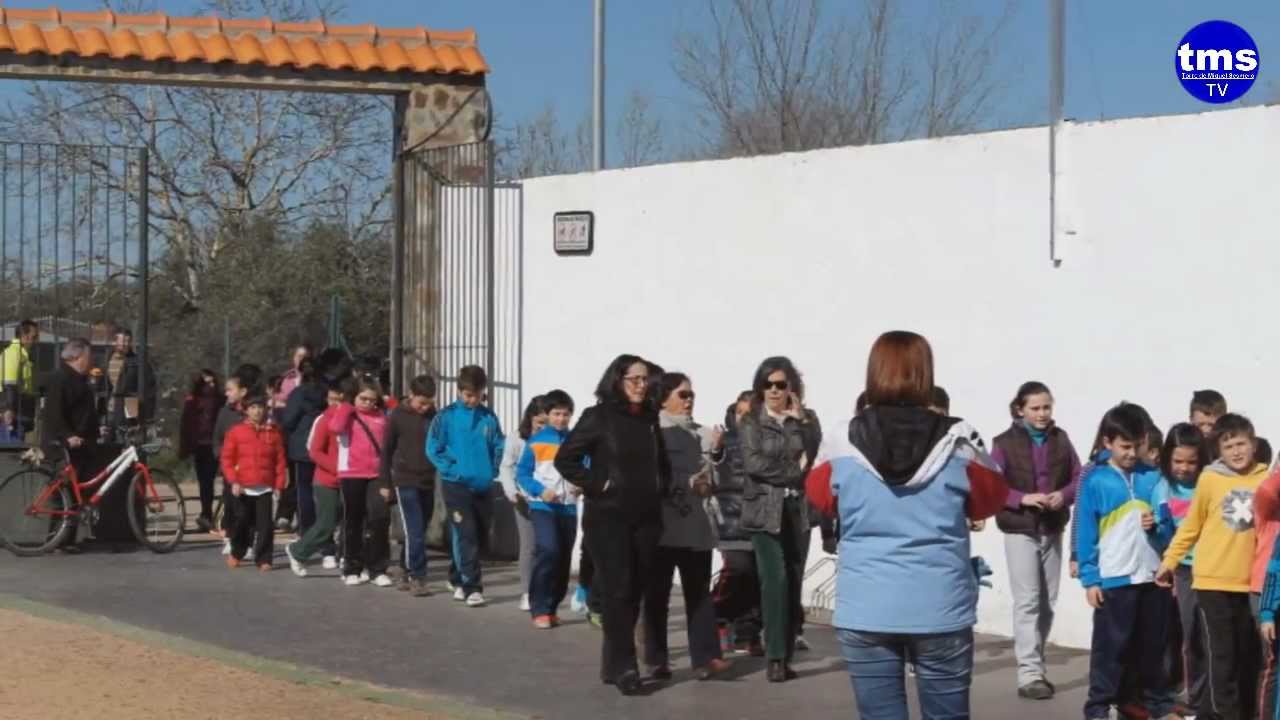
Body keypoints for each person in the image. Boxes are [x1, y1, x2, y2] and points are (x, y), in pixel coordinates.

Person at [803, 331, 1007, 717]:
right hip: (940, 605)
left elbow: (820, 496)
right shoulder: (959, 439)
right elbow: (992, 498)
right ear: (925, 374)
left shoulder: (841, 439)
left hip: (867, 606)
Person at [555, 353, 669, 696]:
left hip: (646, 517)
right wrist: (598, 484)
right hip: (608, 517)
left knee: (634, 591)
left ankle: (611, 663)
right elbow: (566, 459)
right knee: (618, 589)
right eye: (634, 379)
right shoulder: (598, 417)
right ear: (617, 381)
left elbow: (660, 461)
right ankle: (625, 667)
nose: (641, 385)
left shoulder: (649, 418)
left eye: (645, 379)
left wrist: (663, 488)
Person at [1158, 413, 1268, 720]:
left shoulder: (1264, 479)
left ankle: (1237, 711)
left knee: (1247, 654)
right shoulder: (1209, 479)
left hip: (1248, 582)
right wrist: (1169, 561)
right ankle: (1225, 714)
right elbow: (1191, 526)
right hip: (1211, 581)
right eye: (1228, 446)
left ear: (1253, 444)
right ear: (1218, 450)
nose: (1236, 451)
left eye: (1241, 444)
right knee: (1222, 654)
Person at [990, 380, 1081, 701]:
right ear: (1020, 410)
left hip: (1052, 528)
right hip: (1020, 530)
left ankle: (1036, 667)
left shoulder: (1061, 439)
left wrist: (1063, 496)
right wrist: (1022, 498)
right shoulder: (1003, 443)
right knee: (1027, 601)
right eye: (1035, 408)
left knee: (1047, 602)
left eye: (1046, 407)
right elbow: (993, 485)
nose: (1042, 414)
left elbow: (1078, 477)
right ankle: (1028, 673)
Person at [641, 373, 731, 680]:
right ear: (664, 397)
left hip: (696, 524)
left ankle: (706, 657)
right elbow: (651, 475)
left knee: (699, 594)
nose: (689, 400)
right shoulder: (653, 431)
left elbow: (720, 477)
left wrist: (717, 453)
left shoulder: (705, 434)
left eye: (691, 394)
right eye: (682, 394)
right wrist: (686, 483)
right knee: (657, 595)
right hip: (663, 525)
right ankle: (655, 658)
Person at [738, 356, 821, 683]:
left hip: (798, 510)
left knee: (794, 582)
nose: (774, 390)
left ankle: (784, 656)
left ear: (792, 388)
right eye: (767, 384)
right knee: (775, 580)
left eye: (780, 384)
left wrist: (801, 423)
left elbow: (815, 455)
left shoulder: (807, 419)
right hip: (763, 510)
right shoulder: (751, 421)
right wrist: (794, 472)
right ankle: (774, 656)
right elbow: (754, 464)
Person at [426, 365, 505, 607]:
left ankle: (457, 577)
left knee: (478, 535)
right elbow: (433, 448)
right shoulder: (445, 416)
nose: (472, 400)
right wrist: (452, 470)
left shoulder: (489, 417)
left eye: (477, 395)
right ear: (459, 391)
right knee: (466, 533)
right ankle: (472, 587)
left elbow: (498, 444)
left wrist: (492, 470)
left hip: (482, 484)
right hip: (456, 485)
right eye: (468, 395)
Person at [1151, 423, 1210, 717]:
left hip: (1213, 569)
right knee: (1192, 635)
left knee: (1215, 636)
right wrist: (1153, 530)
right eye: (1178, 461)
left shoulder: (1208, 483)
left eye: (1191, 462)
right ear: (1167, 458)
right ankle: (1196, 698)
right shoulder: (1162, 489)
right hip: (1184, 570)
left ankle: (1215, 696)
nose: (1184, 468)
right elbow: (1164, 536)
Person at [517, 389, 577, 629]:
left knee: (563, 558)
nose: (561, 419)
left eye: (565, 414)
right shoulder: (536, 441)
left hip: (569, 508)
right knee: (548, 550)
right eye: (556, 414)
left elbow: (587, 468)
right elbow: (522, 473)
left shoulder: (576, 441)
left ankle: (552, 608)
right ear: (547, 415)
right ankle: (539, 607)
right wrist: (540, 490)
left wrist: (583, 484)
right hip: (542, 506)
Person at [712, 391, 765, 656]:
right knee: (737, 570)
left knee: (757, 577)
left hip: (761, 520)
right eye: (739, 412)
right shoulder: (724, 441)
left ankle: (747, 633)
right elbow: (713, 466)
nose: (743, 418)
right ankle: (716, 616)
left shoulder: (767, 440)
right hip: (731, 521)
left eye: (749, 413)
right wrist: (716, 449)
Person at [330, 378, 393, 587]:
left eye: (371, 400)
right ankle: (351, 567)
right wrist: (347, 406)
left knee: (379, 518)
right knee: (353, 521)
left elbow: (387, 445)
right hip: (352, 474)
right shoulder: (347, 414)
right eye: (363, 398)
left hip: (376, 475)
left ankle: (378, 569)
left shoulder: (381, 417)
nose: (367, 403)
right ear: (354, 397)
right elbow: (335, 427)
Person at [381, 374, 439, 596]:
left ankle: (404, 569)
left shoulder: (433, 416)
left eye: (429, 403)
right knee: (414, 530)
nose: (425, 408)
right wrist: (385, 482)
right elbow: (386, 450)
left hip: (427, 480)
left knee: (420, 529)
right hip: (405, 480)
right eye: (421, 403)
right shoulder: (397, 415)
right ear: (411, 395)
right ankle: (418, 576)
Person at [40, 338, 99, 553]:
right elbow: (54, 414)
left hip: (80, 445)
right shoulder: (60, 379)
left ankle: (68, 540)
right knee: (62, 493)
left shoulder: (80, 380)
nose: (91, 360)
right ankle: (56, 540)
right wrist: (68, 436)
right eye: (88, 356)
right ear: (77, 357)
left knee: (75, 493)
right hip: (61, 445)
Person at [220, 395, 287, 571]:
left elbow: (280, 462)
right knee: (242, 522)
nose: (257, 411)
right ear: (246, 410)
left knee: (265, 526)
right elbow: (227, 460)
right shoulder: (236, 432)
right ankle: (237, 552)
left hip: (265, 487)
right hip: (243, 487)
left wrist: (279, 485)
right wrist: (233, 481)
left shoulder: (273, 433)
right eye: (253, 408)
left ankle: (264, 558)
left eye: (260, 407)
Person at [287, 383, 347, 576]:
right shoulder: (323, 420)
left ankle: (348, 558)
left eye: (339, 400)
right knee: (326, 523)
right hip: (327, 480)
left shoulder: (352, 419)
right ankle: (298, 551)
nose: (335, 403)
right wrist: (337, 468)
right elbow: (314, 451)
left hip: (350, 478)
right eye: (331, 399)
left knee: (347, 521)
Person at [280, 359, 332, 564]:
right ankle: (326, 539)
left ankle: (306, 531)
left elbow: (288, 420)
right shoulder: (327, 392)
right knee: (325, 494)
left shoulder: (298, 393)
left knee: (304, 492)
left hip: (302, 448)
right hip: (324, 448)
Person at [500, 396, 548, 612]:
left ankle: (545, 589)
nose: (543, 428)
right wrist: (512, 491)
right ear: (530, 419)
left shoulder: (556, 439)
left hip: (549, 499)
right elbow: (506, 467)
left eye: (546, 423)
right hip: (523, 499)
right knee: (529, 546)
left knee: (548, 546)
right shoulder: (517, 439)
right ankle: (527, 592)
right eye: (539, 423)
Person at [214, 364, 261, 553]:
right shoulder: (225, 413)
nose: (226, 393)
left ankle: (247, 543)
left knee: (248, 508)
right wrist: (222, 458)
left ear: (243, 392)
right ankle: (231, 537)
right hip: (230, 470)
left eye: (230, 389)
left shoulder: (253, 413)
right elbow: (217, 439)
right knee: (231, 505)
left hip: (249, 470)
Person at [178, 369, 224, 532]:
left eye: (213, 382)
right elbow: (186, 425)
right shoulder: (194, 401)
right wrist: (185, 446)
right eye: (207, 383)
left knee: (208, 481)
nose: (211, 386)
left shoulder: (218, 400)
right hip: (202, 445)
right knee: (205, 482)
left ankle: (208, 515)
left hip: (213, 444)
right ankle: (207, 515)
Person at [107, 327, 157, 428]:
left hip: (130, 405)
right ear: (115, 342)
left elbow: (150, 387)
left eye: (128, 341)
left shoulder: (138, 362)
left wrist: (147, 416)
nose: (125, 344)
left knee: (128, 432)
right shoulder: (106, 361)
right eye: (123, 341)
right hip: (109, 410)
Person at [2, 319, 38, 437]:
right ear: (24, 336)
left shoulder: (24, 354)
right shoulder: (14, 353)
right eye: (34, 337)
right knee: (11, 446)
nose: (36, 341)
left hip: (20, 413)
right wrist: (9, 409)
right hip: (13, 415)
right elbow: (9, 383)